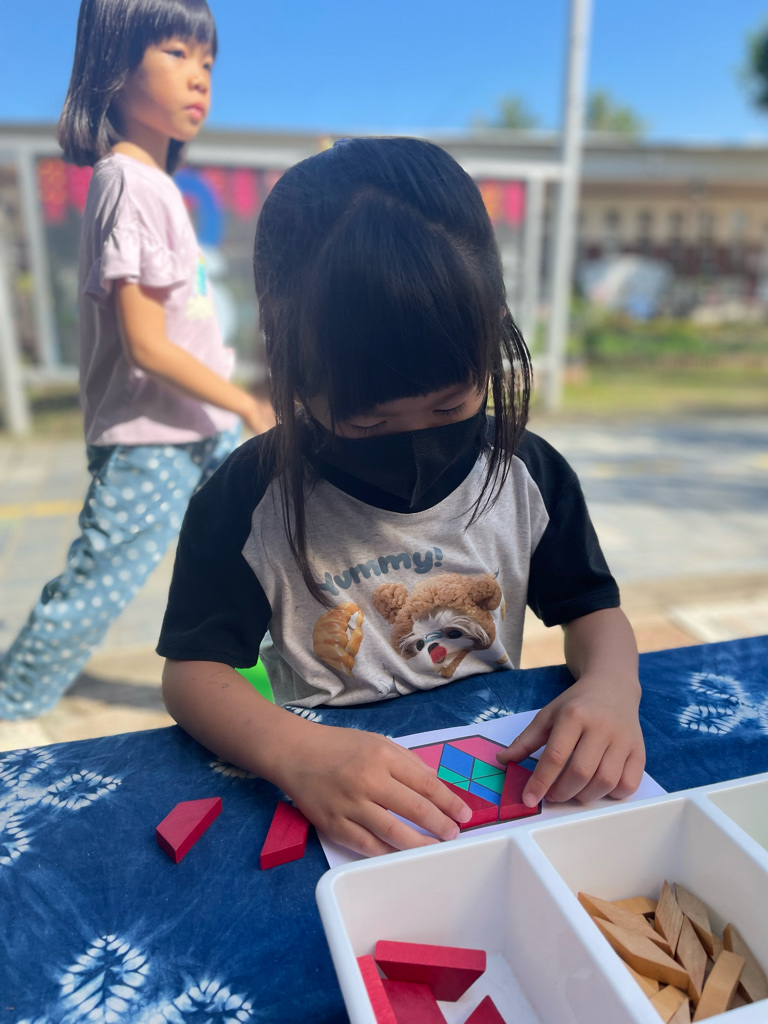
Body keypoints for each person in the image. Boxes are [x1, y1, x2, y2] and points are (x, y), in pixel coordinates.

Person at [158, 137, 646, 857]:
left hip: (487, 781)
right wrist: (293, 752)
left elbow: (593, 609)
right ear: (291, 368)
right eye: (366, 422)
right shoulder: (247, 498)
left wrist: (610, 688)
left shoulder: (526, 474)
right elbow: (193, 672)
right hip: (330, 786)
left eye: (451, 405)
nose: (415, 441)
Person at [0, 0, 274, 721]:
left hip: (199, 428)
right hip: (154, 441)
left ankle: (274, 681)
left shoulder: (153, 184)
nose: (199, 77)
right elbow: (146, 346)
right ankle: (11, 704)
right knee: (100, 584)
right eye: (176, 54)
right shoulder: (127, 183)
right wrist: (245, 403)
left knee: (257, 550)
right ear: (113, 68)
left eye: (207, 61)